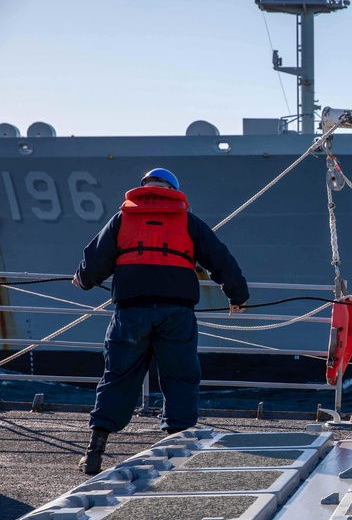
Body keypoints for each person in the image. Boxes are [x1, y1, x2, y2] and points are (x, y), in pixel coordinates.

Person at [73, 168, 249, 474]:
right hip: (176, 313)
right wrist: (237, 296)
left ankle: (94, 452)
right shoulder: (188, 221)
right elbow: (221, 259)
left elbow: (95, 262)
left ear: (144, 188)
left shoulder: (123, 218)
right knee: (180, 377)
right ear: (172, 189)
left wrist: (82, 280)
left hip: (131, 311)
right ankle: (176, 450)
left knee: (118, 376)